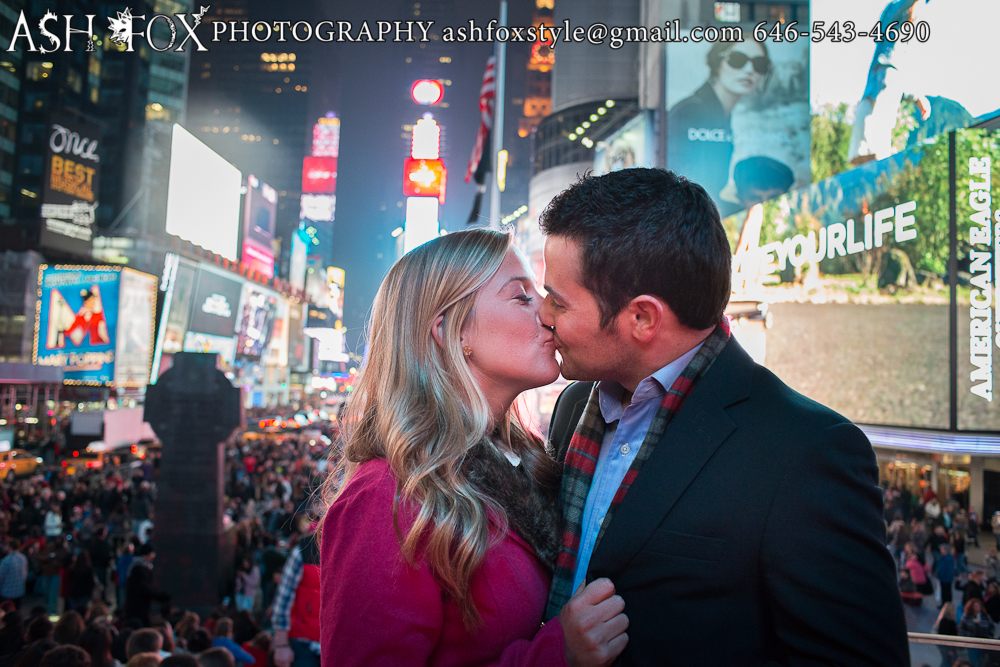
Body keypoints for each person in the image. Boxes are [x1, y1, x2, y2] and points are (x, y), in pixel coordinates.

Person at [537, 168, 909, 665]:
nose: (542, 314)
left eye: (558, 300)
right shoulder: (572, 410)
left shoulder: (804, 451)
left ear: (643, 318)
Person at [319, 230, 629, 667]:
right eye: (522, 297)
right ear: (450, 330)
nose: (547, 312)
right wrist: (555, 655)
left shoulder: (527, 459)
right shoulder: (387, 496)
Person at [667, 41, 772, 215]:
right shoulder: (691, 111)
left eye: (759, 64)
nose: (749, 70)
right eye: (737, 60)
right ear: (717, 63)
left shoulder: (723, 115)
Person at [123, 546, 169, 627]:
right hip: (138, 609)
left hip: (137, 608)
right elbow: (143, 589)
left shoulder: (136, 568)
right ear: (145, 555)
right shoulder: (139, 569)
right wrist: (159, 596)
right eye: (151, 557)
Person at [0, 543, 28, 609]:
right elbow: (25, 574)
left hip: (7, 593)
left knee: (7, 614)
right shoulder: (23, 557)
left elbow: (1, 577)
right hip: (20, 591)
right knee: (17, 611)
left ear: (9, 547)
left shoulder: (6, 561)